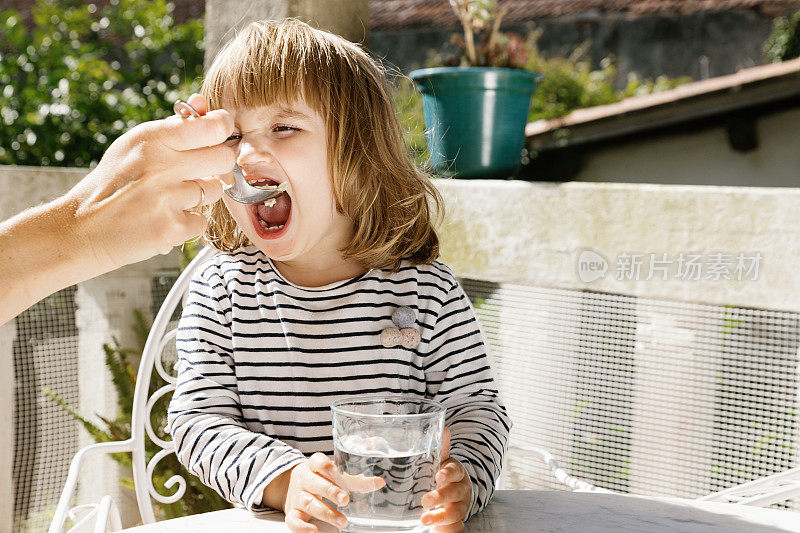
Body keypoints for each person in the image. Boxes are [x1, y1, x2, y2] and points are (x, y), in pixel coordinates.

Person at [167, 19, 510, 533]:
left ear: (356, 154)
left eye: (284, 128)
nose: (246, 156)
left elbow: (476, 408)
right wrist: (286, 480)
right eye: (232, 135)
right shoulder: (223, 291)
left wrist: (463, 477)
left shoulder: (427, 291)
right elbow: (197, 423)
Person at [0, 106, 236, 325]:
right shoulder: (215, 287)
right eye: (234, 138)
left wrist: (82, 227)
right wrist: (81, 228)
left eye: (276, 129)